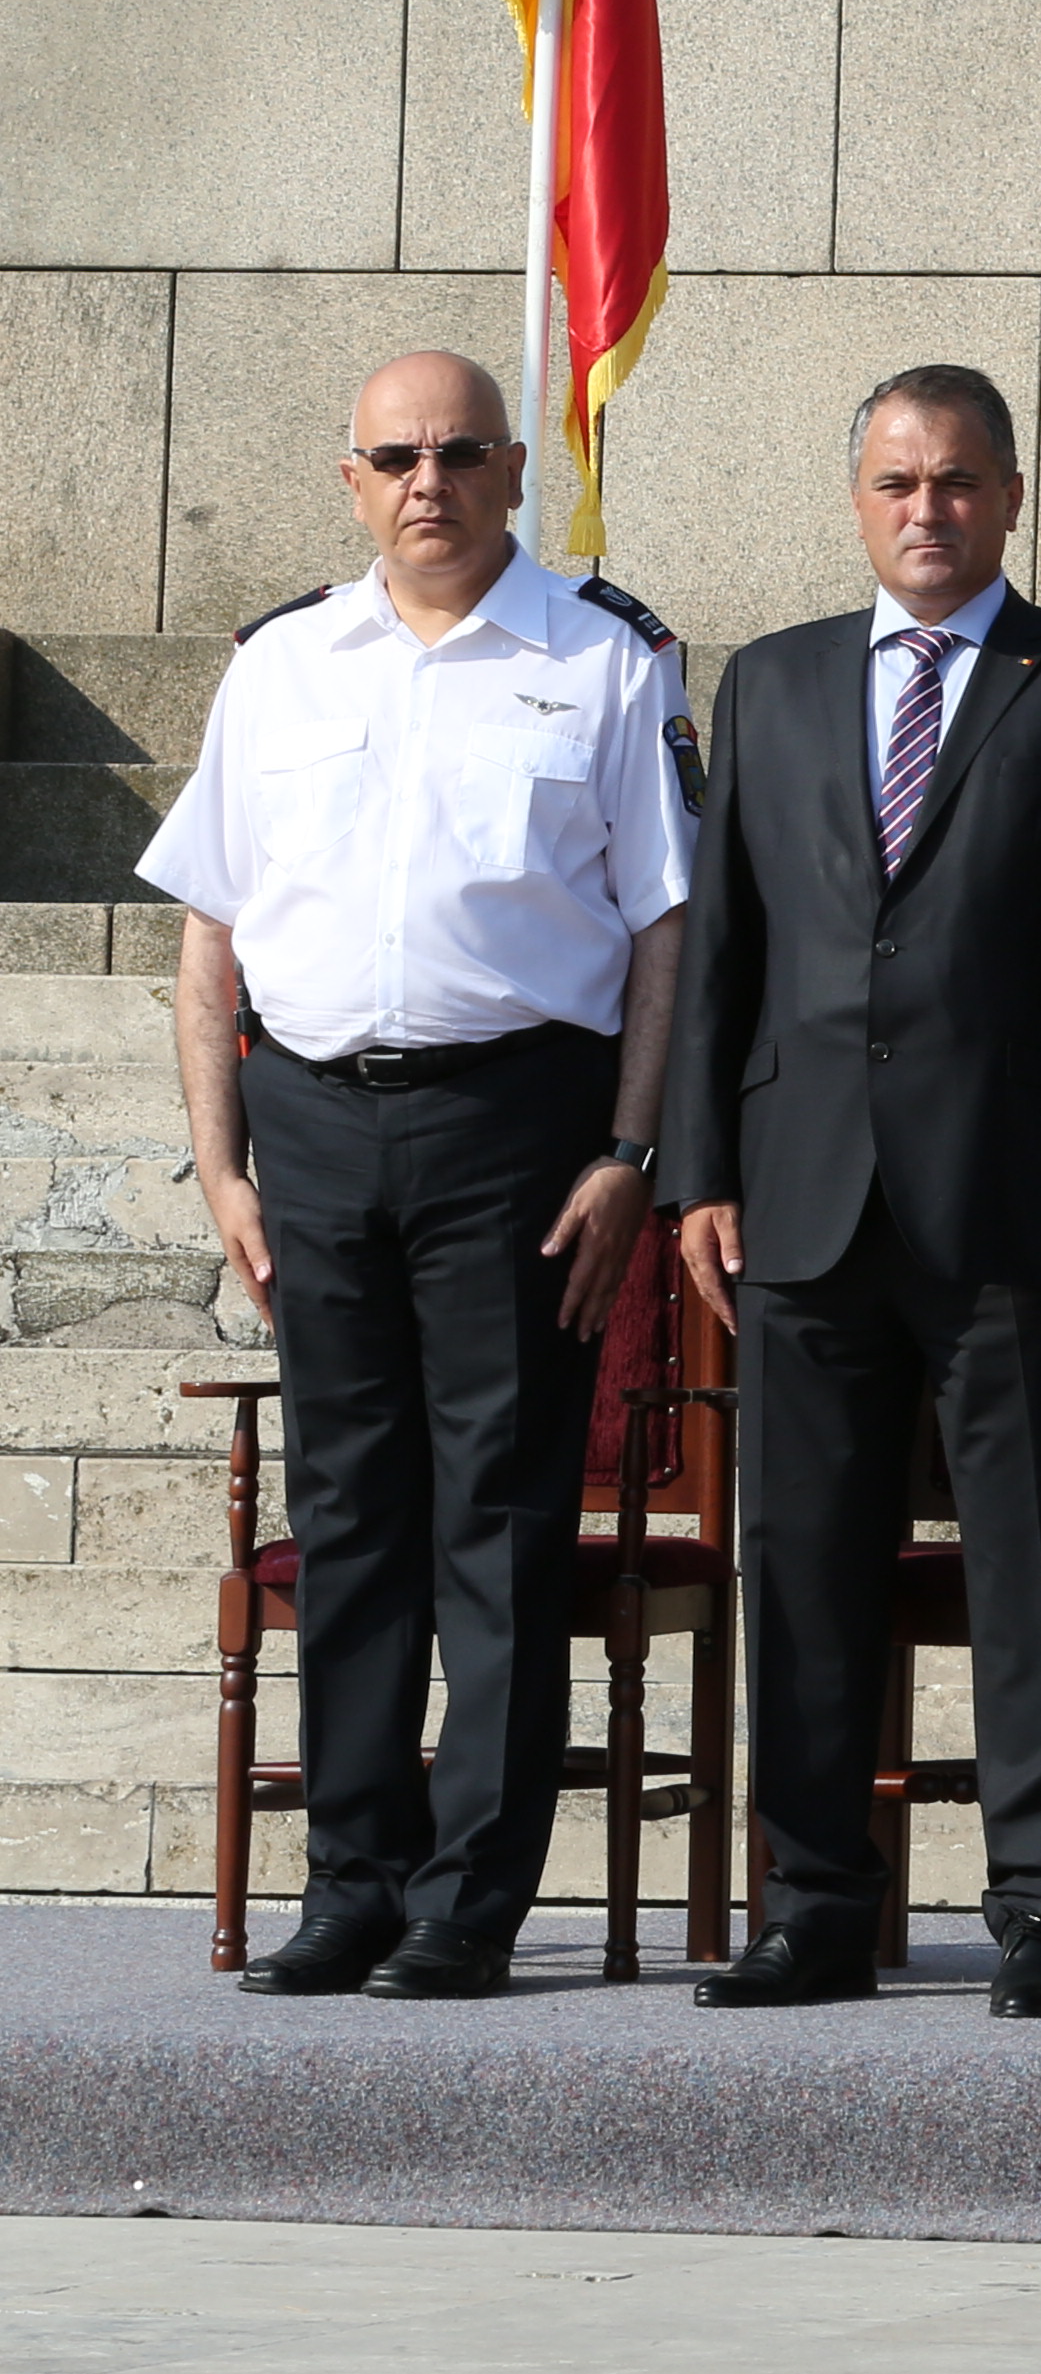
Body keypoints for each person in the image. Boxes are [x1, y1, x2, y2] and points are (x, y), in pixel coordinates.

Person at [663, 365, 1041, 2017]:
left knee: (1033, 1563)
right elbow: (722, 962)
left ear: (1010, 497)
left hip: (1022, 1204)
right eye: (900, 483)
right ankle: (817, 1901)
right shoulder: (768, 685)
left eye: (960, 482)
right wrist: (699, 1167)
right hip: (802, 1196)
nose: (929, 511)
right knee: (806, 1554)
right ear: (858, 503)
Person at [142, 351, 694, 2001]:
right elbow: (207, 943)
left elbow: (667, 936)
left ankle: (472, 1898)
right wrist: (221, 1163)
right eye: (395, 456)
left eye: (461, 453)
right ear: (352, 477)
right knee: (350, 1514)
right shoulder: (285, 667)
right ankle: (354, 1880)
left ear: (515, 468)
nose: (428, 483)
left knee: (501, 1516)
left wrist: (629, 1152)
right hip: (309, 1122)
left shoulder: (602, 661)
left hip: (516, 1129)